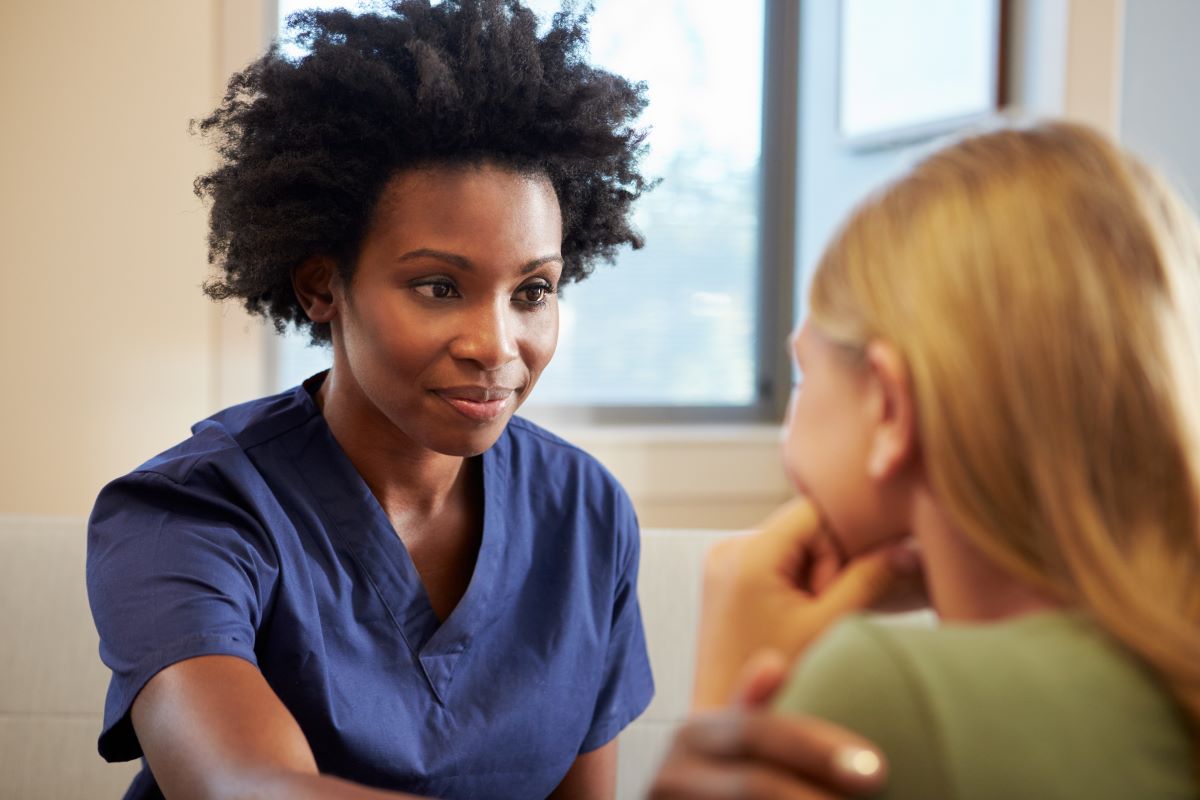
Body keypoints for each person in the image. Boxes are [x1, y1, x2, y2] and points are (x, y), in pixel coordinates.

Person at [86, 1, 897, 798]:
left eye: (533, 291)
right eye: (440, 286)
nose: (498, 346)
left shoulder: (583, 513)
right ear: (322, 285)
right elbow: (244, 787)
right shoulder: (186, 513)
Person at [685, 123, 1200, 798]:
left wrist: (730, 710)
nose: (791, 440)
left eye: (805, 378)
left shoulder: (882, 694)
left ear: (890, 411)